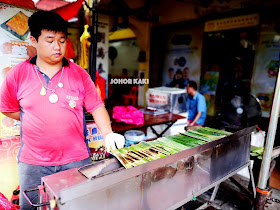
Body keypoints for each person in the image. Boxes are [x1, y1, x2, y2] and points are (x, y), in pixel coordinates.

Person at [0, 11, 124, 210]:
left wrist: (108, 133)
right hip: (33, 162)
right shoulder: (17, 74)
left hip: (75, 160)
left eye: (62, 40)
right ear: (33, 40)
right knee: (30, 207)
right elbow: (8, 109)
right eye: (49, 40)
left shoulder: (79, 75)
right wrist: (33, 116)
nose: (57, 47)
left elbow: (97, 106)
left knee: (77, 206)